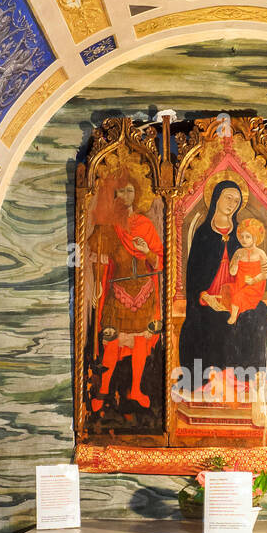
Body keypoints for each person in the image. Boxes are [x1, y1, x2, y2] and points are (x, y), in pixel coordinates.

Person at [178, 179, 267, 395]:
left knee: (259, 313)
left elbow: (253, 268)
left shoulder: (242, 237)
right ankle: (212, 378)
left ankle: (247, 377)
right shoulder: (203, 235)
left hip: (236, 295)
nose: (232, 203)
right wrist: (206, 297)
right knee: (208, 318)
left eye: (237, 200)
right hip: (209, 298)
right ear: (216, 198)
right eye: (228, 197)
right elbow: (193, 278)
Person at [86, 172, 163, 411]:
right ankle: (104, 389)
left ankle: (136, 389)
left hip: (144, 290)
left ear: (136, 194)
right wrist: (98, 282)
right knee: (111, 340)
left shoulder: (145, 224)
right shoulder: (110, 224)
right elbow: (98, 253)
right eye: (122, 191)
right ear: (115, 193)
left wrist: (147, 250)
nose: (126, 195)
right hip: (117, 289)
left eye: (131, 191)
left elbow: (160, 260)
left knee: (140, 341)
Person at [214, 216, 267, 325]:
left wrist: (253, 280)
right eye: (242, 237)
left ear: (254, 238)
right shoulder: (239, 252)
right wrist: (236, 261)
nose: (244, 240)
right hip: (239, 284)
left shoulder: (260, 253)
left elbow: (265, 274)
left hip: (254, 286)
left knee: (238, 296)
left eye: (248, 237)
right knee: (226, 289)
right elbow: (232, 272)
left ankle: (234, 316)